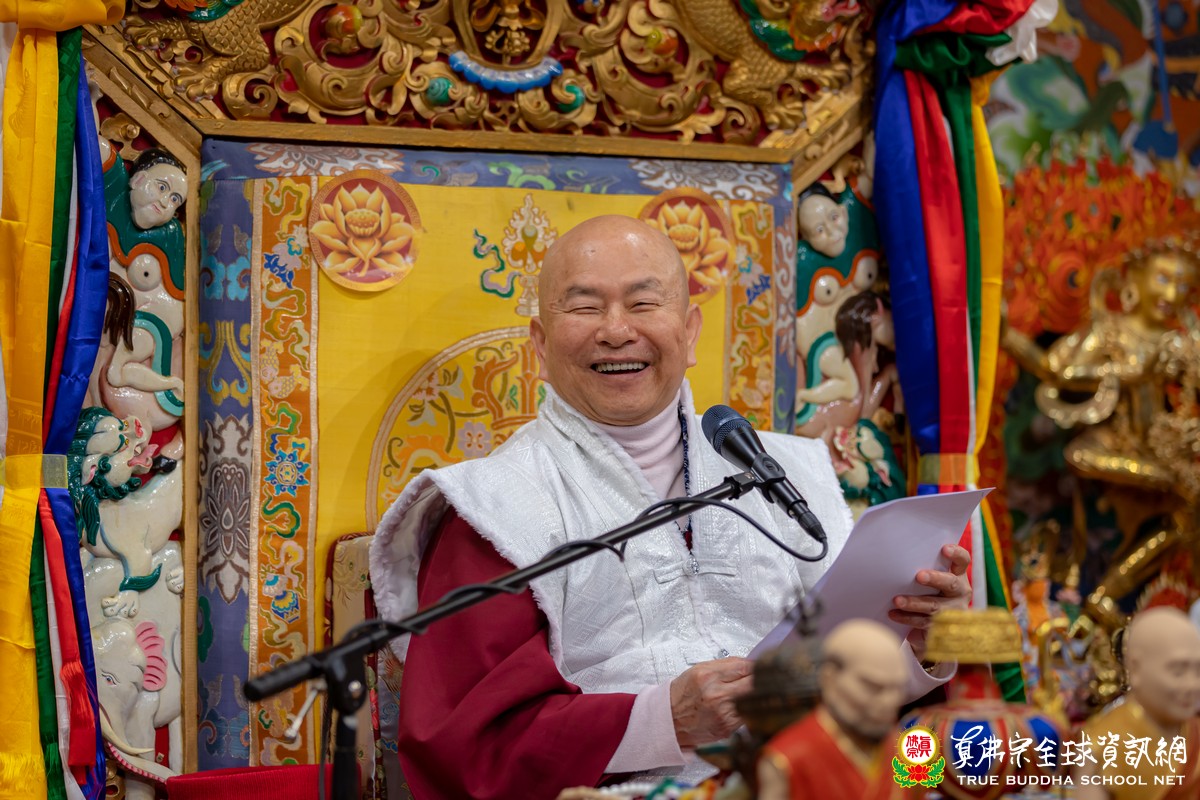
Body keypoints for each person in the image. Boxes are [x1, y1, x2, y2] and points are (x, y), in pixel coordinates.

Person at [369, 215, 970, 798]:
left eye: (643, 303)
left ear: (689, 332)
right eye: (584, 307)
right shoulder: (493, 508)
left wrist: (917, 648)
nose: (615, 330)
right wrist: (662, 721)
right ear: (540, 344)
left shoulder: (790, 470)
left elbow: (858, 683)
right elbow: (471, 745)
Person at [757, 619, 913, 800]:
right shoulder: (790, 758)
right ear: (829, 678)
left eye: (898, 688)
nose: (889, 701)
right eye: (874, 687)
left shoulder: (902, 747)